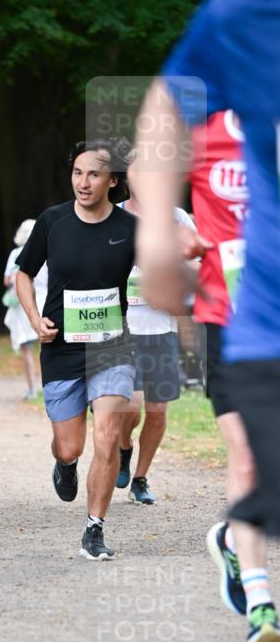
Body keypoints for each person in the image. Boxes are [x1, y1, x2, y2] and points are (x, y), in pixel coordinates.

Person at [133, 0, 280, 642]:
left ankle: (233, 532)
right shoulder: (219, 104)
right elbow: (144, 158)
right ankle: (260, 602)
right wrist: (167, 227)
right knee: (246, 457)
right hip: (237, 313)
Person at [16, 138, 136, 561]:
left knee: (106, 436)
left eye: (94, 174)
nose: (83, 183)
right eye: (77, 173)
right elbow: (23, 275)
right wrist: (34, 319)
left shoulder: (129, 228)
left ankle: (94, 528)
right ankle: (64, 465)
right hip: (62, 348)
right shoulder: (52, 222)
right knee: (71, 446)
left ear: (112, 180)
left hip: (112, 347)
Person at [115, 164, 196, 504]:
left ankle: (140, 478)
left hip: (161, 328)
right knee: (129, 408)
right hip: (121, 328)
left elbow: (196, 263)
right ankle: (123, 447)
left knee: (158, 411)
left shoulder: (176, 218)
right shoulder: (112, 216)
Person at [2, 220, 45, 399]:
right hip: (43, 302)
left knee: (26, 348)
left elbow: (7, 280)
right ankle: (47, 385)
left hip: (23, 304)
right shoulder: (46, 251)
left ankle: (31, 389)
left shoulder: (15, 254)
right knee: (46, 347)